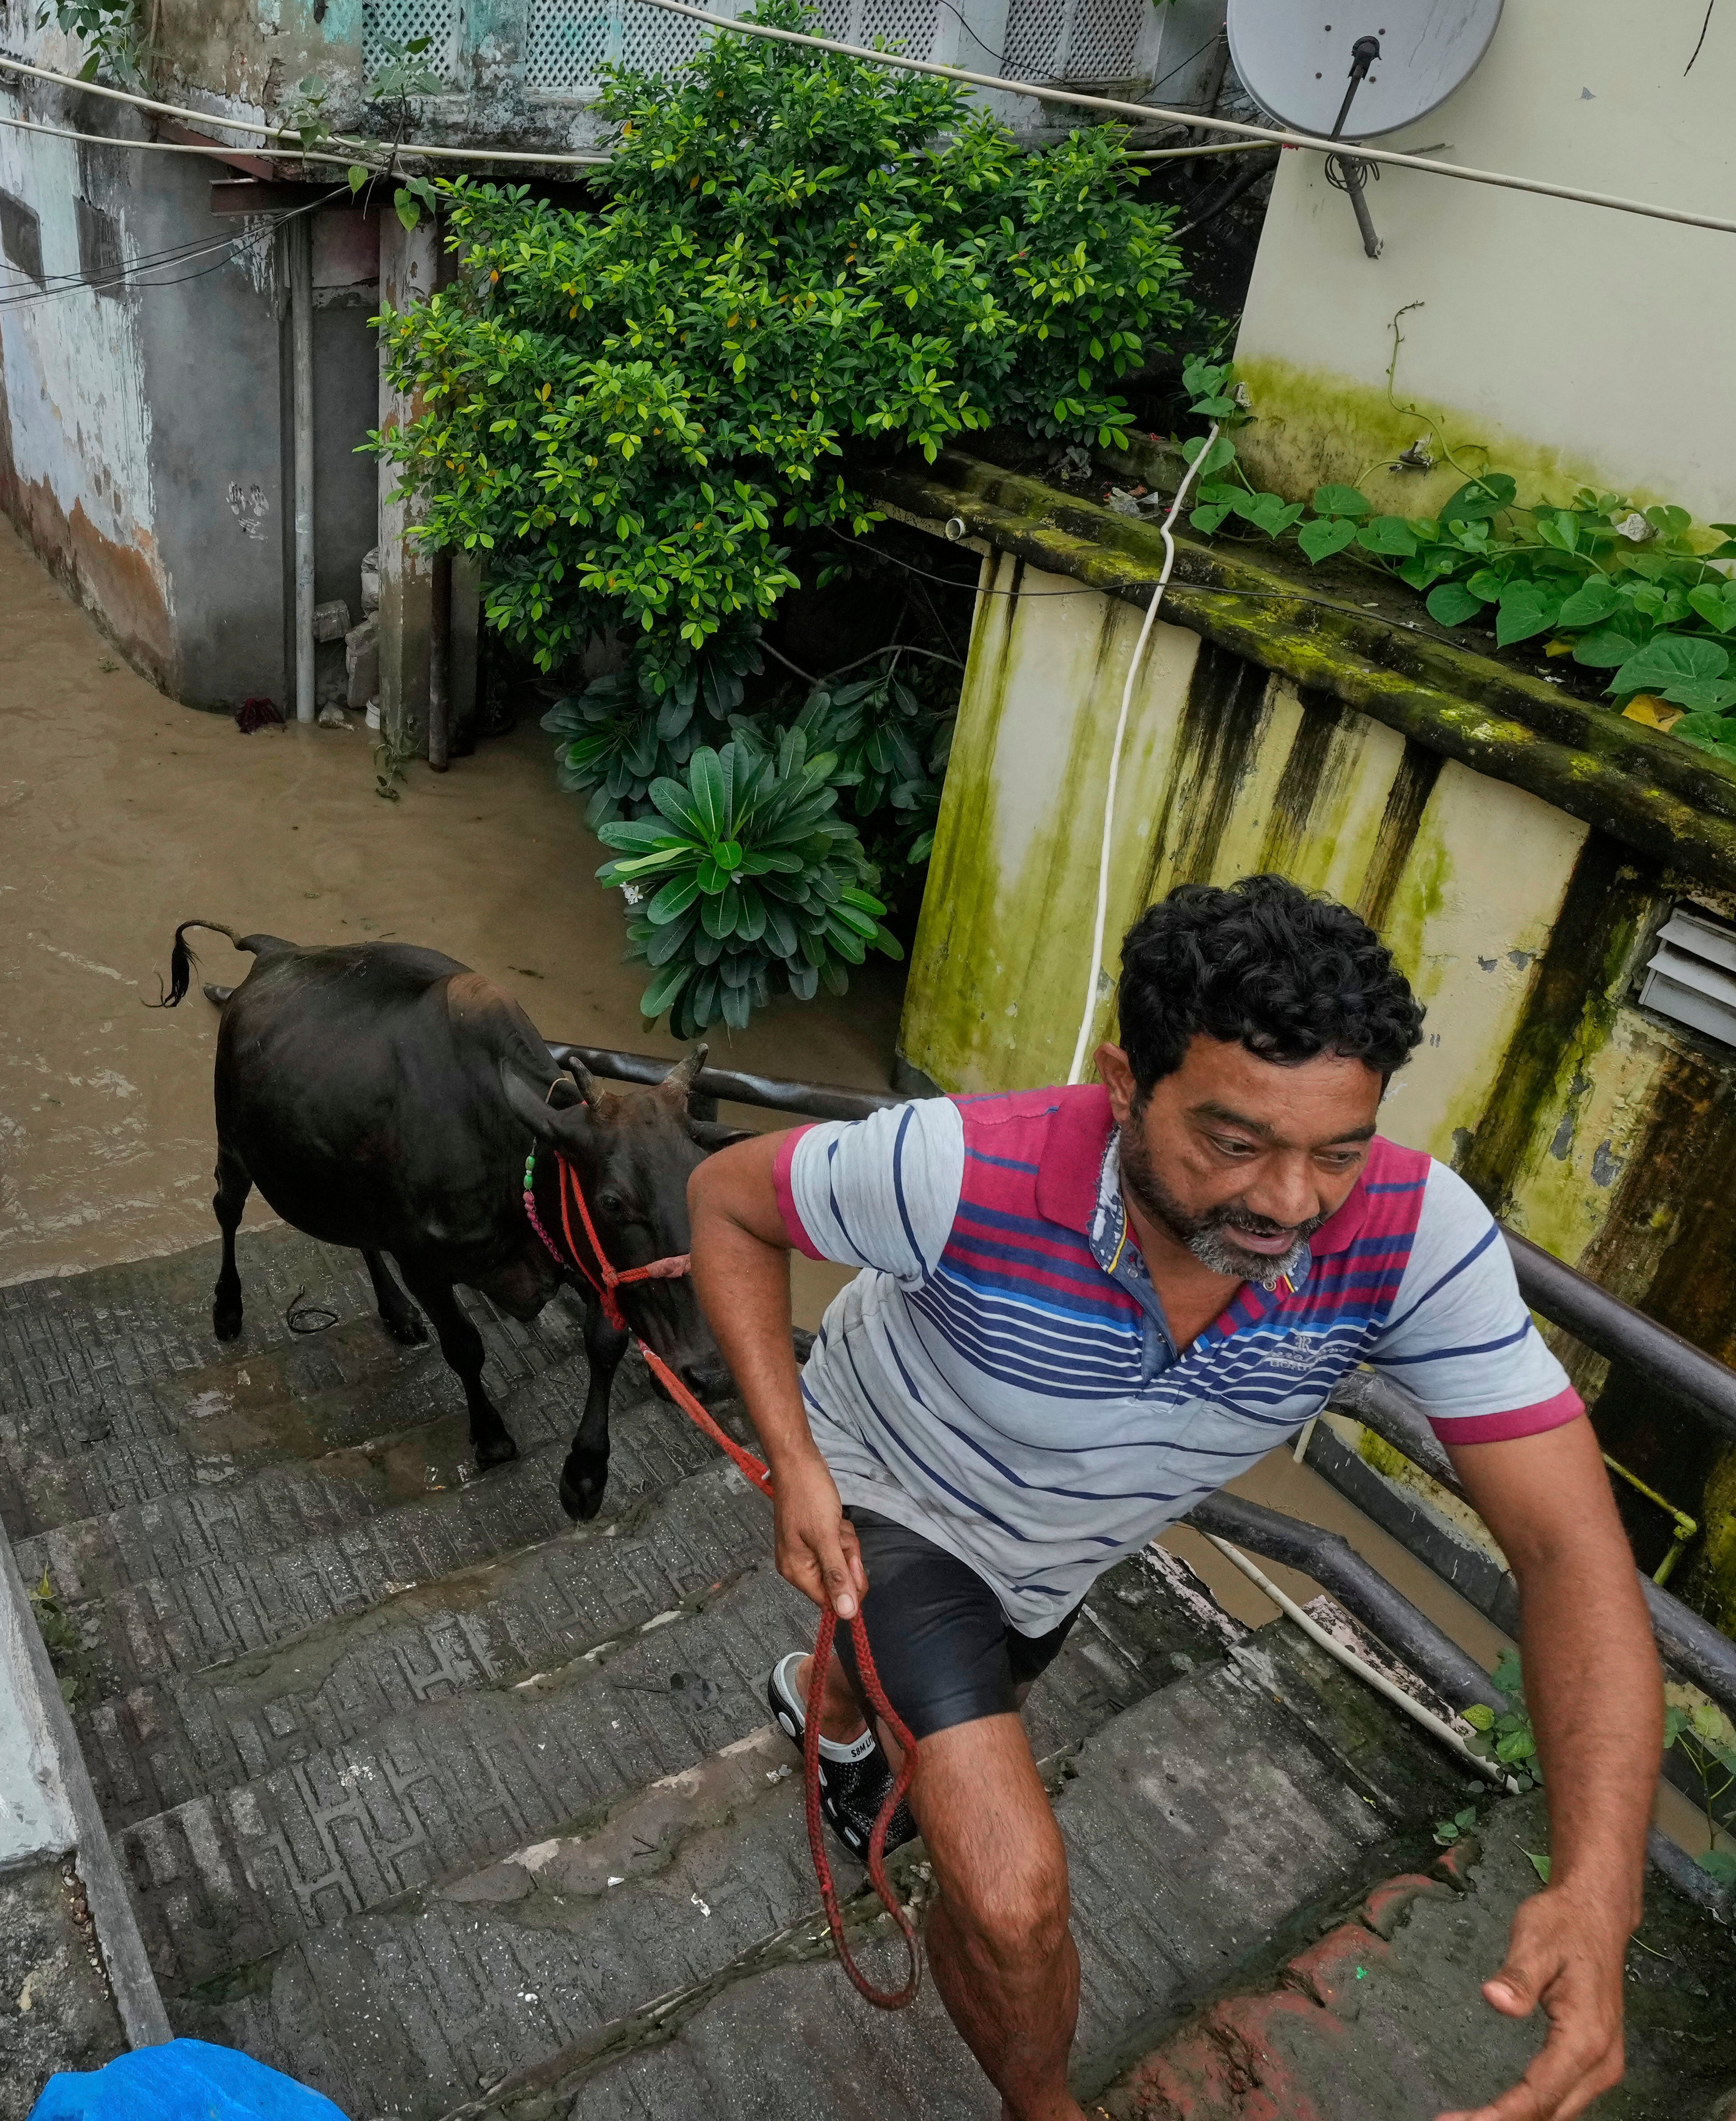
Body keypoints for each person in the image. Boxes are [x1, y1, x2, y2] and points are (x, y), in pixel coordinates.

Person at [685, 875, 1666, 2121]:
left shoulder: (1416, 1242)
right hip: (901, 1497)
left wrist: (1597, 1887)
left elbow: (1569, 1554)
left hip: (1064, 1552)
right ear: (1120, 1083)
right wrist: (798, 1469)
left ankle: (820, 1712)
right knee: (1009, 1890)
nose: (1289, 1206)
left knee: (908, 1686)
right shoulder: (950, 1165)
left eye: (1336, 1150)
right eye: (1233, 1141)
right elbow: (726, 1202)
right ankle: (1043, 2106)